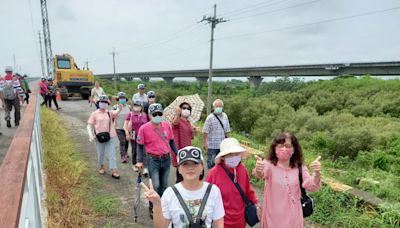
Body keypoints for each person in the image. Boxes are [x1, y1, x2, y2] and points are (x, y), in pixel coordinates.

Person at [141, 146, 225, 228]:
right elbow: (161, 226)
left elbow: (218, 224)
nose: (190, 168)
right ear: (179, 169)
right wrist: (157, 204)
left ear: (202, 166)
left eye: (195, 163)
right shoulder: (170, 193)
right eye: (185, 164)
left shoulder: (213, 191)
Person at [253, 132, 322, 228]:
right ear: (275, 148)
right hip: (273, 217)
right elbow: (261, 174)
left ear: (294, 149)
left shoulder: (299, 168)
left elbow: (311, 186)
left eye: (288, 146)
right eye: (281, 145)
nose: (284, 149)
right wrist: (259, 169)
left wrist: (317, 174)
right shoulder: (269, 164)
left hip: (293, 218)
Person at [135, 103, 178, 218]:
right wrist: (139, 161)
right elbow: (139, 145)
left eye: (160, 113)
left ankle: (162, 206)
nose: (157, 116)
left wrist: (178, 153)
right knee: (155, 184)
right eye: (155, 114)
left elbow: (172, 141)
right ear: (149, 115)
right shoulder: (144, 128)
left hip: (165, 158)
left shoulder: (167, 126)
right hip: (152, 159)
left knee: (164, 185)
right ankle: (152, 206)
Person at [206, 137, 259, 228]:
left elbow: (248, 190)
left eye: (236, 154)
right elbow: (207, 198)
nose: (234, 157)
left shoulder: (242, 169)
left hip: (240, 220)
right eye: (229, 154)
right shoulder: (213, 174)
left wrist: (257, 204)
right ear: (223, 156)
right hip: (221, 222)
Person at [87, 95, 120, 179]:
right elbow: (89, 125)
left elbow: (116, 112)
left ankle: (114, 170)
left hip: (110, 135)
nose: (103, 103)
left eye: (105, 102)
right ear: (98, 103)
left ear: (107, 104)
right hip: (98, 137)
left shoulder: (109, 112)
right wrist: (91, 134)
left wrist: (120, 107)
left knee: (112, 153)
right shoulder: (94, 114)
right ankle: (101, 166)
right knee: (100, 153)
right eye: (102, 102)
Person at [203, 99, 231, 169]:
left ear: (222, 107)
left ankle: (219, 179)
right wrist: (205, 143)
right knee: (212, 165)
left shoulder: (225, 116)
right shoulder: (210, 118)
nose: (218, 108)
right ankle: (211, 179)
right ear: (214, 107)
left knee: (222, 165)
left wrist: (229, 142)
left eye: (220, 106)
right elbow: (205, 131)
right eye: (217, 106)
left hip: (223, 146)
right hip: (212, 146)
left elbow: (227, 130)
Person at [172, 102, 195, 182]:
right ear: (180, 110)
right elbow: (174, 124)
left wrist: (193, 130)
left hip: (188, 149)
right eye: (184, 108)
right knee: (180, 173)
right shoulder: (178, 120)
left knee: (186, 172)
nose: (186, 110)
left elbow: (191, 137)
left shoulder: (188, 122)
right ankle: (177, 191)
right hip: (179, 149)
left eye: (188, 109)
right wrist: (177, 114)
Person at [123, 98, 148, 172]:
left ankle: (145, 167)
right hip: (133, 134)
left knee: (144, 151)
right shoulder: (130, 114)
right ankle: (134, 164)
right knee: (134, 150)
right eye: (135, 105)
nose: (136, 107)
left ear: (141, 107)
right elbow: (125, 125)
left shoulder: (144, 115)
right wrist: (127, 134)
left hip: (143, 136)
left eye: (138, 105)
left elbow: (146, 125)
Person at [112, 92, 131, 163]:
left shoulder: (129, 107)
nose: (122, 99)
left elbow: (131, 116)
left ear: (126, 99)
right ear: (118, 99)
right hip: (118, 127)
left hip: (127, 127)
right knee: (122, 141)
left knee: (127, 141)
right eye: (120, 98)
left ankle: (125, 153)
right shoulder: (115, 107)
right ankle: (123, 156)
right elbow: (113, 117)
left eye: (123, 98)